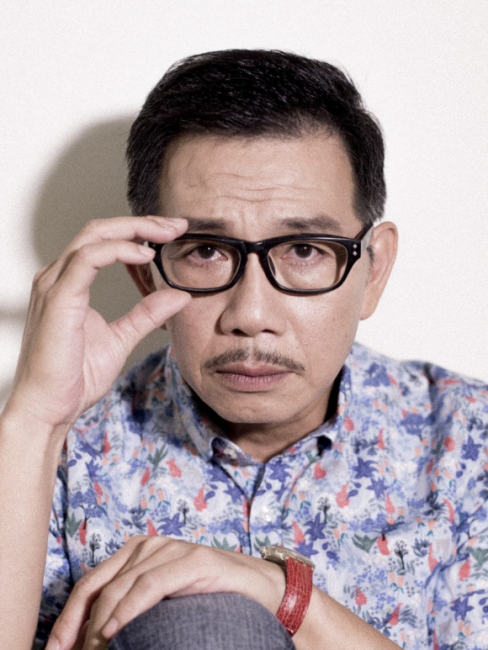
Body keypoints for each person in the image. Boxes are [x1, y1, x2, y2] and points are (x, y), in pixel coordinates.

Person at [0, 49, 487, 650]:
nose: (251, 316)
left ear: (374, 269)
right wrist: (35, 421)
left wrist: (285, 597)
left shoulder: (469, 441)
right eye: (206, 251)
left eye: (304, 250)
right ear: (148, 274)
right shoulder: (59, 455)